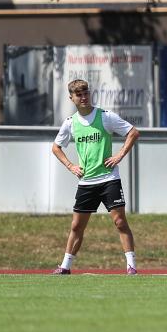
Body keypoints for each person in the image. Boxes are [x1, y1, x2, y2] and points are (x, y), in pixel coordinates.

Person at [50, 79, 140, 275]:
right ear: (71, 98)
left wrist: (119, 155)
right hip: (87, 182)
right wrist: (70, 166)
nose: (83, 97)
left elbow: (133, 132)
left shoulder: (105, 117)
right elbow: (56, 147)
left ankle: (131, 266)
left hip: (109, 179)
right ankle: (65, 266)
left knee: (120, 222)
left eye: (85, 93)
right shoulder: (70, 123)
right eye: (78, 94)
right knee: (76, 226)